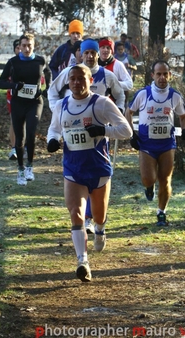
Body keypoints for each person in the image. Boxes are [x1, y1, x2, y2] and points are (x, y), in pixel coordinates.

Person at [47, 64, 132, 282]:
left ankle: (101, 228)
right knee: (75, 212)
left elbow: (126, 130)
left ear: (90, 80)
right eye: (72, 79)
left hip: (98, 169)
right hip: (73, 168)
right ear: (68, 81)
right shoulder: (61, 105)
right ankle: (82, 261)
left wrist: (103, 130)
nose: (76, 83)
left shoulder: (101, 103)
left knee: (99, 214)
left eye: (81, 78)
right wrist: (52, 140)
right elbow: (55, 129)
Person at [47, 38, 126, 234]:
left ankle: (95, 219)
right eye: (86, 53)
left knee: (96, 171)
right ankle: (86, 218)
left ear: (98, 54)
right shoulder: (69, 73)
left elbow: (120, 94)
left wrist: (118, 113)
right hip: (73, 125)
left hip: (98, 130)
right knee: (79, 172)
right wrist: (58, 111)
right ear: (80, 55)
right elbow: (52, 92)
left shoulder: (107, 76)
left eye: (93, 52)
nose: (90, 56)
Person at [125, 60, 185, 227]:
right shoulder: (143, 94)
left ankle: (161, 212)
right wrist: (132, 134)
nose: (162, 77)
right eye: (158, 74)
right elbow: (129, 112)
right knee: (148, 179)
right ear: (152, 75)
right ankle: (149, 187)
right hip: (147, 144)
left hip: (167, 144)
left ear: (169, 75)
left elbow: (183, 116)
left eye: (165, 74)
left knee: (165, 179)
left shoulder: (175, 96)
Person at [0, 33, 51, 186]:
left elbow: (48, 73)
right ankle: (20, 169)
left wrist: (48, 88)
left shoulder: (40, 60)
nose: (27, 49)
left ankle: (29, 167)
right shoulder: (13, 62)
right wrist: (14, 86)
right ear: (19, 47)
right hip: (18, 103)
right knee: (20, 138)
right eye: (24, 46)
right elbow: (0, 83)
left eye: (30, 46)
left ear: (34, 46)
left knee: (32, 133)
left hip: (34, 102)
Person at [7, 39, 20, 160]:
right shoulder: (11, 63)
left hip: (28, 96)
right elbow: (3, 80)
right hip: (13, 95)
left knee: (26, 121)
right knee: (13, 120)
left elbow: (40, 79)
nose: (20, 50)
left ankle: (23, 146)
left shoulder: (33, 61)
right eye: (18, 48)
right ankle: (13, 148)